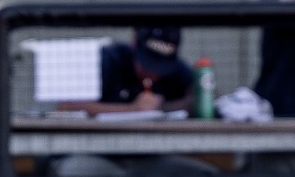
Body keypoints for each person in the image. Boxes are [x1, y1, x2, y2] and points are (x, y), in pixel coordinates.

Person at [54, 26, 194, 116]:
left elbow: (201, 99)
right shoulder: (108, 59)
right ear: (134, 42)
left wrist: (163, 106)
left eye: (161, 67)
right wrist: (133, 110)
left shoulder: (177, 71)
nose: (152, 73)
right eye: (147, 64)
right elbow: (67, 107)